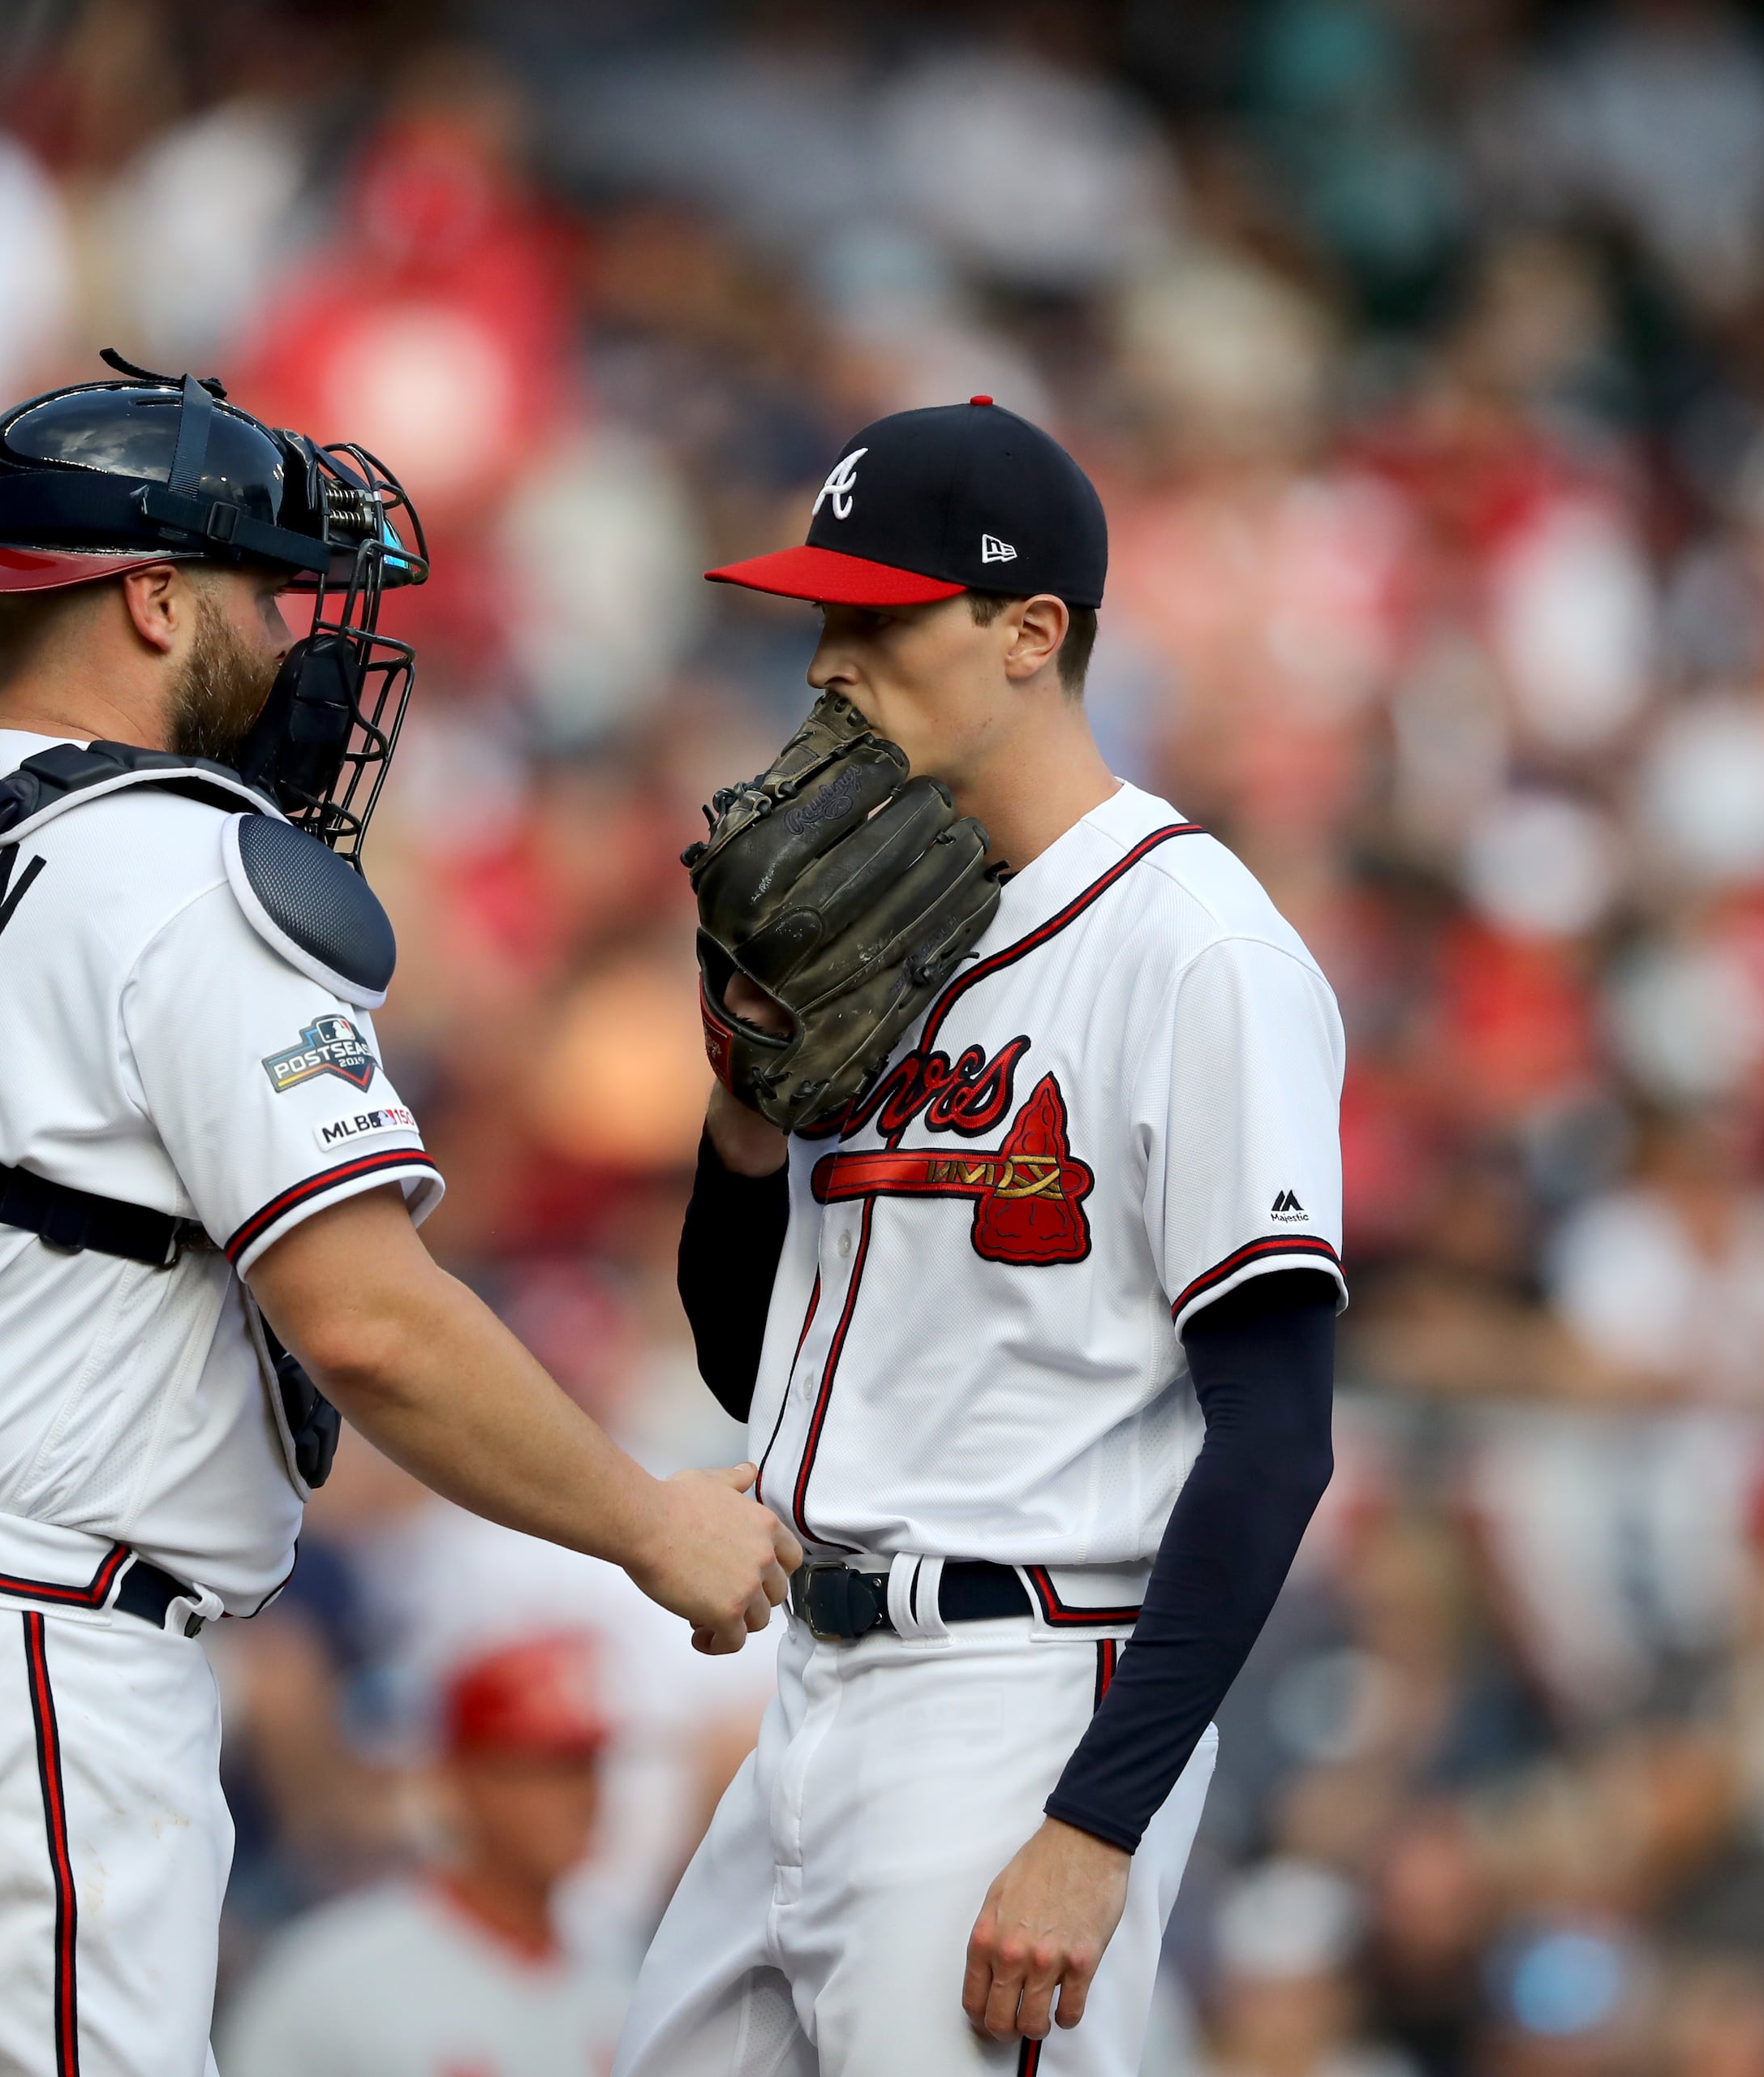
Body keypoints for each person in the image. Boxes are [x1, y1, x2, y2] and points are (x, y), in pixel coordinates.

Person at [0, 360, 798, 2077]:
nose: (299, 639)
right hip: (18, 1660)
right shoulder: (177, 870)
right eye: (262, 590)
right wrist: (649, 1527)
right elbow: (365, 1316)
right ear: (152, 599)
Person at [617, 398, 1347, 2073]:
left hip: (1024, 1694)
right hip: (810, 1683)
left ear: (1031, 633)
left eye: (876, 619)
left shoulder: (1197, 949)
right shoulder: (875, 915)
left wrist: (1097, 1823)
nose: (826, 663)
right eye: (819, 617)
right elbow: (756, 1365)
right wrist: (739, 1117)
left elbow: (1277, 1436)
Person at [218, 1632, 634, 2075]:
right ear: (458, 1779)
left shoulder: (630, 1972)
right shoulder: (326, 1979)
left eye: (589, 1765)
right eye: (547, 1770)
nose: (583, 1799)